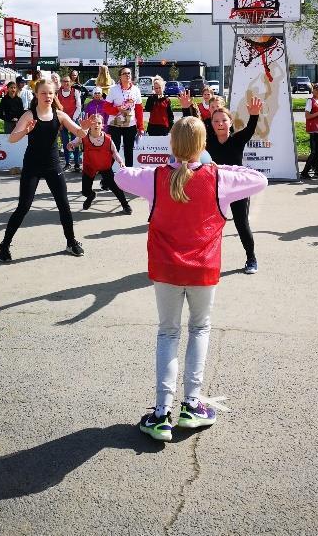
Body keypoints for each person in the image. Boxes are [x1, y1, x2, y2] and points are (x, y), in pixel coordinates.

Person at [114, 116, 267, 442]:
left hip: (166, 270)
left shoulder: (154, 178)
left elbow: (121, 174)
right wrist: (222, 167)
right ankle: (192, 404)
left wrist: (170, 163)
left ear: (171, 145)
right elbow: (259, 179)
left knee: (168, 333)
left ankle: (160, 414)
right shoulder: (218, 178)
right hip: (203, 270)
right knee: (199, 330)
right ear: (203, 145)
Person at [0, 79, 94, 263]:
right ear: (36, 95)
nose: (48, 96)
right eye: (44, 93)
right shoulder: (29, 115)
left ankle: (71, 242)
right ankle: (5, 245)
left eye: (51, 93)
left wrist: (85, 128)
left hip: (53, 165)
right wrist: (25, 130)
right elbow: (12, 139)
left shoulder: (60, 115)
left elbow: (79, 133)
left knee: (64, 206)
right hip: (32, 166)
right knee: (23, 207)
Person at [181, 91, 264, 274]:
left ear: (230, 123)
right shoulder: (207, 140)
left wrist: (255, 114)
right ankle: (200, 259)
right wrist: (186, 108)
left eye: (224, 121)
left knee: (241, 224)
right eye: (216, 121)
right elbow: (193, 129)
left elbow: (250, 129)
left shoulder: (237, 140)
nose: (220, 124)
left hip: (236, 189)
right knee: (205, 225)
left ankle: (251, 258)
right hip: (213, 189)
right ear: (211, 124)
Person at [70, 114, 132, 214]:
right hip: (89, 167)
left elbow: (115, 153)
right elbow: (72, 144)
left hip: (104, 167)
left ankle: (125, 205)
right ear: (90, 124)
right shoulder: (83, 136)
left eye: (99, 123)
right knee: (85, 191)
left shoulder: (108, 139)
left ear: (102, 125)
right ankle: (91, 195)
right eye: (94, 123)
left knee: (115, 187)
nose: (96, 125)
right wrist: (71, 145)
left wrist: (121, 162)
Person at [104, 67, 144, 167]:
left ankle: (129, 175)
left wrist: (141, 127)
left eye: (129, 73)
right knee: (114, 149)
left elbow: (139, 110)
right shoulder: (113, 89)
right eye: (125, 73)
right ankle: (107, 176)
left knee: (129, 151)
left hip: (130, 125)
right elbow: (106, 108)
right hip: (115, 125)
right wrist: (118, 109)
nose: (127, 75)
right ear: (120, 76)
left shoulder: (136, 90)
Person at [300, 84, 318, 179]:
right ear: (313, 90)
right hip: (314, 130)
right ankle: (304, 172)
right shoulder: (310, 101)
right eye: (316, 89)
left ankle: (317, 171)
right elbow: (307, 116)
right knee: (314, 152)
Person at [57, 75, 82, 172]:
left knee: (75, 142)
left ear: (71, 82)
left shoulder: (75, 92)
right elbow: (57, 107)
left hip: (73, 119)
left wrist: (72, 119)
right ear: (61, 83)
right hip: (62, 121)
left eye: (67, 81)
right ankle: (67, 163)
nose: (66, 83)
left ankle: (76, 163)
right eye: (64, 81)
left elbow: (79, 106)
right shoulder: (58, 93)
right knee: (65, 142)